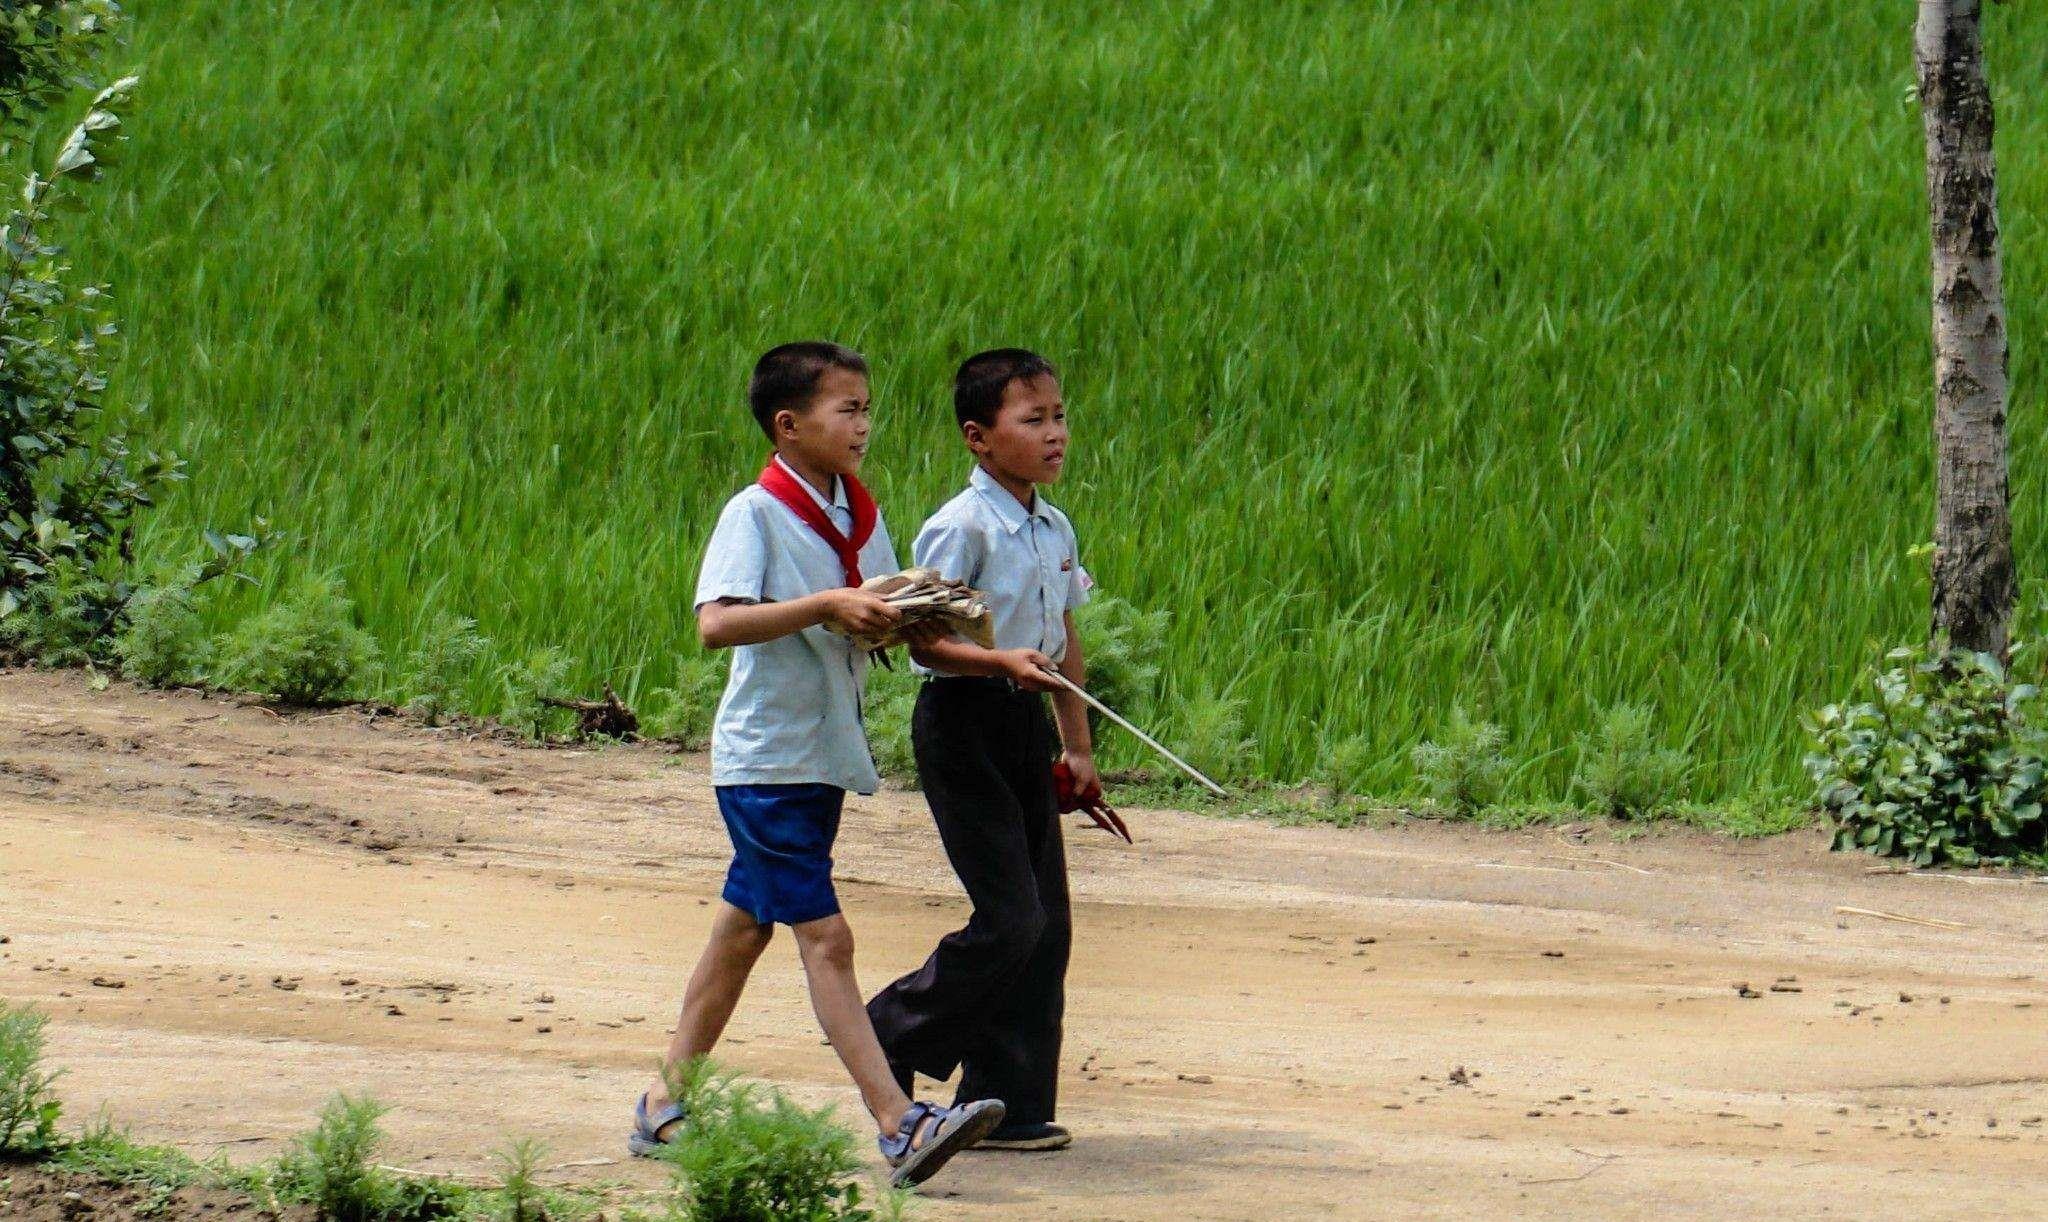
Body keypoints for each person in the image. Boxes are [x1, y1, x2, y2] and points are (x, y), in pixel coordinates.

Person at [630, 341, 1004, 1188]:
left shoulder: (859, 518)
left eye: (867, 407)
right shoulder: (754, 514)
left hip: (819, 755)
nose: (864, 423)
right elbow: (716, 624)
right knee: (825, 938)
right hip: (766, 758)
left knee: (743, 930)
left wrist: (964, 640)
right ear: (788, 425)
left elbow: (884, 619)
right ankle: (898, 1122)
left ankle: (663, 1103)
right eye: (847, 409)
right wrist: (829, 604)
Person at [868, 348, 1095, 1152]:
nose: (1055, 434)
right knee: (1011, 918)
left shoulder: (1052, 524)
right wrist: (996, 661)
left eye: (1059, 416)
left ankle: (1012, 1099)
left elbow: (1063, 635)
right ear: (978, 437)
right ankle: (889, 1028)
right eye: (1033, 421)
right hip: (962, 725)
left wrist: (1077, 750)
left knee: (1048, 926)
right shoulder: (960, 526)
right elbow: (924, 641)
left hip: (1021, 728)